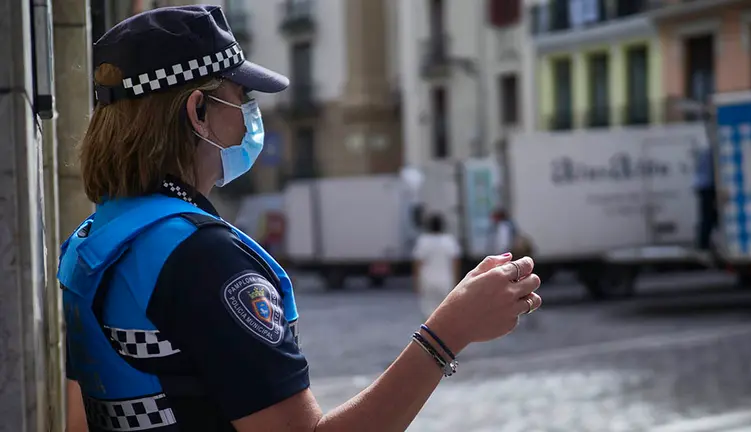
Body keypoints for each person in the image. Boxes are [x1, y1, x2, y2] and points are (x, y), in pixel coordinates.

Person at [60, 6, 542, 432]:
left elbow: (78, 417)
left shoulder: (88, 242)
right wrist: (448, 332)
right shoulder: (201, 259)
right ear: (198, 111)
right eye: (241, 96)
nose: (251, 115)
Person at [412, 214, 462, 320]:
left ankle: (429, 334)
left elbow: (418, 262)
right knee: (446, 310)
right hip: (446, 280)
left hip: (427, 280)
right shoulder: (449, 240)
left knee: (428, 312)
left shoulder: (423, 241)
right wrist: (457, 281)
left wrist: (416, 281)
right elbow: (455, 262)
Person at [694, 144, 718, 250]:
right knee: (709, 216)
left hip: (703, 185)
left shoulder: (706, 151)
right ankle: (704, 244)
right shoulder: (713, 152)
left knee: (707, 216)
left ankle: (704, 242)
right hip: (707, 185)